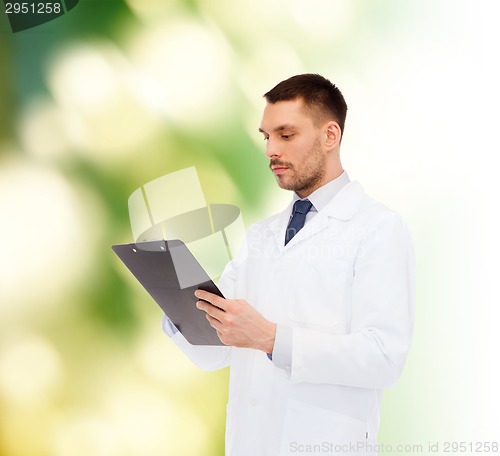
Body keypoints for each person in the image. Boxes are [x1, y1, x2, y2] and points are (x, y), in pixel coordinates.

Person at [162, 73, 416, 456]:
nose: (270, 151)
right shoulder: (263, 234)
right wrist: (177, 309)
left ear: (330, 136)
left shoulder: (378, 228)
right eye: (267, 137)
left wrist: (270, 338)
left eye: (286, 135)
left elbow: (382, 357)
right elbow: (220, 349)